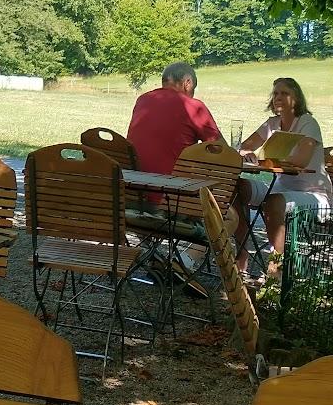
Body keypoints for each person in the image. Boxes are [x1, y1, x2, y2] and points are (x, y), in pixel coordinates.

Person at [234, 77, 328, 274]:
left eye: (284, 93)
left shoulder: (307, 123)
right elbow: (244, 147)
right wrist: (247, 153)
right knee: (239, 187)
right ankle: (241, 256)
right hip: (279, 187)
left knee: (274, 202)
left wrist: (266, 159)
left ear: (297, 99)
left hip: (315, 194)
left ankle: (277, 271)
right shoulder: (272, 123)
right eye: (275, 93)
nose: (278, 97)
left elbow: (300, 161)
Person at [126, 61, 222, 180]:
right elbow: (220, 150)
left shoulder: (143, 100)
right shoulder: (192, 106)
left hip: (133, 187)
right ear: (188, 83)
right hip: (171, 190)